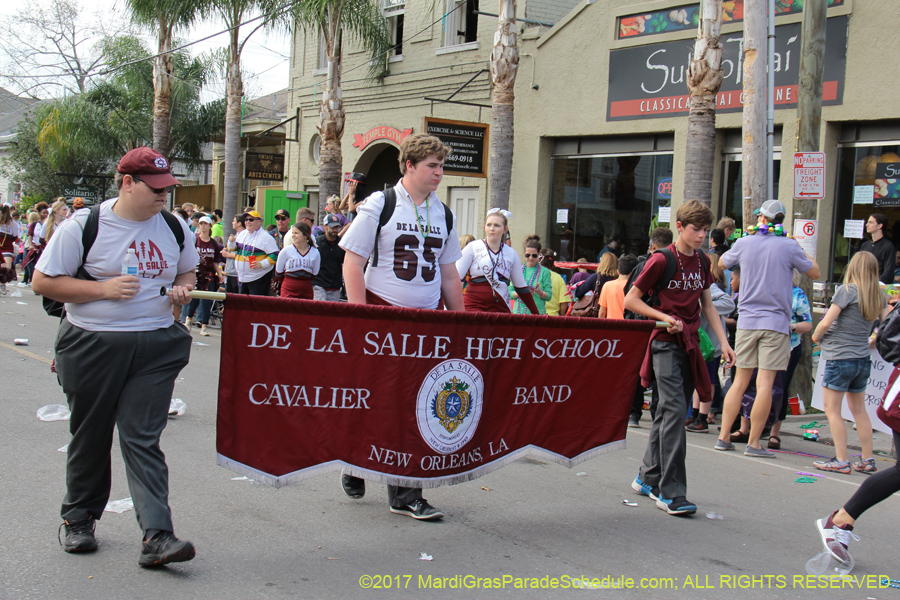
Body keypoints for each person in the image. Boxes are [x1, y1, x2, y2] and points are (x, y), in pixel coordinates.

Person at [32, 146, 198, 567]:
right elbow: (42, 282)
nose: (165, 196)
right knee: (91, 433)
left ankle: (158, 535)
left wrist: (182, 288)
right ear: (127, 183)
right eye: (156, 188)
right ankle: (79, 521)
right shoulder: (83, 226)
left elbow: (186, 269)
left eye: (169, 188)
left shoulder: (175, 227)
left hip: (156, 343)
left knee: (142, 436)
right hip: (92, 343)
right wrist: (100, 290)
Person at [339, 133, 463, 521]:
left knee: (416, 404)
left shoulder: (443, 212)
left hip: (425, 321)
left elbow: (449, 276)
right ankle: (355, 458)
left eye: (442, 166)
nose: (439, 173)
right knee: (376, 399)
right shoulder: (381, 203)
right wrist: (361, 318)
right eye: (432, 166)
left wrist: (461, 323)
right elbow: (352, 264)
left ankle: (406, 492)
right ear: (409, 166)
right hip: (382, 313)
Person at [625, 200, 735, 516]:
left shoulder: (702, 261)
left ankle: (647, 477)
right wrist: (663, 317)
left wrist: (725, 343)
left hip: (690, 343)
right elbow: (632, 299)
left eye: (705, 230)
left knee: (667, 411)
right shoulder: (661, 260)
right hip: (662, 341)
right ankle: (670, 492)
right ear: (680, 226)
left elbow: (708, 306)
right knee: (674, 409)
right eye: (696, 229)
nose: (701, 235)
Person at [715, 200, 820, 458]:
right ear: (780, 221)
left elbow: (721, 264)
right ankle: (753, 444)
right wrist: (797, 246)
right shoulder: (788, 246)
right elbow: (815, 272)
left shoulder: (745, 242)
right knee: (765, 384)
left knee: (739, 380)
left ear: (761, 218)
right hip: (776, 324)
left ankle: (723, 436)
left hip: (748, 322)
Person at [810, 252, 889, 474]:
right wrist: (873, 339)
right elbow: (888, 324)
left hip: (839, 356)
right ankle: (867, 459)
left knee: (832, 410)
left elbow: (827, 322)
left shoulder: (847, 291)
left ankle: (841, 459)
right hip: (862, 357)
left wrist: (816, 337)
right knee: (859, 410)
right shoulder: (878, 295)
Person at [685, 253, 735, 433]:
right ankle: (695, 413)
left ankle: (703, 418)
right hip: (698, 341)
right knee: (697, 379)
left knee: (707, 380)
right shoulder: (690, 283)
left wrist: (702, 306)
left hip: (710, 344)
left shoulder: (710, 287)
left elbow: (729, 304)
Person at [455, 210, 538, 314]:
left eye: (497, 225)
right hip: (474, 308)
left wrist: (536, 314)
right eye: (489, 225)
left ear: (505, 229)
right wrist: (454, 308)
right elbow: (455, 279)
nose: (492, 228)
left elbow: (521, 287)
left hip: (501, 309)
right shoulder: (472, 248)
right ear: (484, 227)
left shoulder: (511, 253)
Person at [767, 271, 813, 449]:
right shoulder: (768, 290)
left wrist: (791, 326)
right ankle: (750, 427)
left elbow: (807, 324)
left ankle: (774, 433)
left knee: (781, 388)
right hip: (767, 344)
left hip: (789, 347)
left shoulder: (797, 294)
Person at [181, 216, 225, 336]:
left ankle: (204, 326)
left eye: (205, 224)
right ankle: (189, 319)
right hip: (196, 274)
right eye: (201, 224)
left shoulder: (213, 243)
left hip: (209, 275)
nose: (203, 226)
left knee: (206, 301)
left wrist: (220, 273)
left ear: (210, 226)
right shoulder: (195, 240)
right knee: (194, 299)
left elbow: (215, 261)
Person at [235, 209, 279, 296]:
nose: (248, 222)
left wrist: (262, 264)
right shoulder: (242, 234)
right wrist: (231, 243)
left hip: (258, 277)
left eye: (251, 220)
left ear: (258, 221)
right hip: (242, 277)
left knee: (256, 306)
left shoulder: (266, 237)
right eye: (246, 220)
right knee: (243, 305)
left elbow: (275, 254)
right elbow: (235, 249)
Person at [275, 221, 320, 299]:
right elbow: (278, 273)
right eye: (293, 233)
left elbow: (314, 274)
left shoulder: (315, 252)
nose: (293, 236)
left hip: (306, 291)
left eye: (296, 233)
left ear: (305, 235)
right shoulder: (286, 250)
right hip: (288, 290)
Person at [512, 235, 552, 315]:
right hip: (519, 314)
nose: (531, 258)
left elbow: (549, 296)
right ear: (524, 254)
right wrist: (522, 292)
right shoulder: (517, 270)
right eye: (527, 255)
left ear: (539, 254)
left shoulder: (544, 272)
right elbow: (510, 293)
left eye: (534, 255)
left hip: (537, 314)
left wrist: (539, 292)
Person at [312, 214, 347, 301]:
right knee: (320, 309)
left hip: (334, 286)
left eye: (337, 227)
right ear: (325, 227)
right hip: (319, 284)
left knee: (331, 313)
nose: (335, 230)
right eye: (332, 227)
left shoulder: (341, 244)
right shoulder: (317, 242)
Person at [599, 253, 638, 319]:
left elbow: (602, 312)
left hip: (611, 326)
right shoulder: (636, 288)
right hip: (630, 326)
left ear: (618, 271)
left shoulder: (607, 285)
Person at [860, 213, 896, 284]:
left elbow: (889, 271)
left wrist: (877, 283)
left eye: (871, 222)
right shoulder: (865, 245)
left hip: (878, 286)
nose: (867, 225)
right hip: (862, 284)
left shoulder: (888, 246)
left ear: (879, 226)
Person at [540, 249, 572, 316]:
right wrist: (561, 314)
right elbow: (564, 302)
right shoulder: (558, 278)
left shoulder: (533, 276)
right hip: (553, 318)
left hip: (534, 316)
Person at [221, 214, 245, 294]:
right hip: (230, 272)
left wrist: (227, 255)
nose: (232, 223)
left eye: (234, 221)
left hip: (236, 273)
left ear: (239, 223)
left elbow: (244, 255)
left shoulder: (244, 236)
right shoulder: (236, 235)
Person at [0, 204, 21, 293]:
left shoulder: (12, 223)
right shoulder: (13, 223)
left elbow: (15, 236)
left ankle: (2, 284)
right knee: (4, 267)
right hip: (5, 247)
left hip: (6, 248)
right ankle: (2, 284)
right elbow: (15, 236)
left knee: (5, 268)